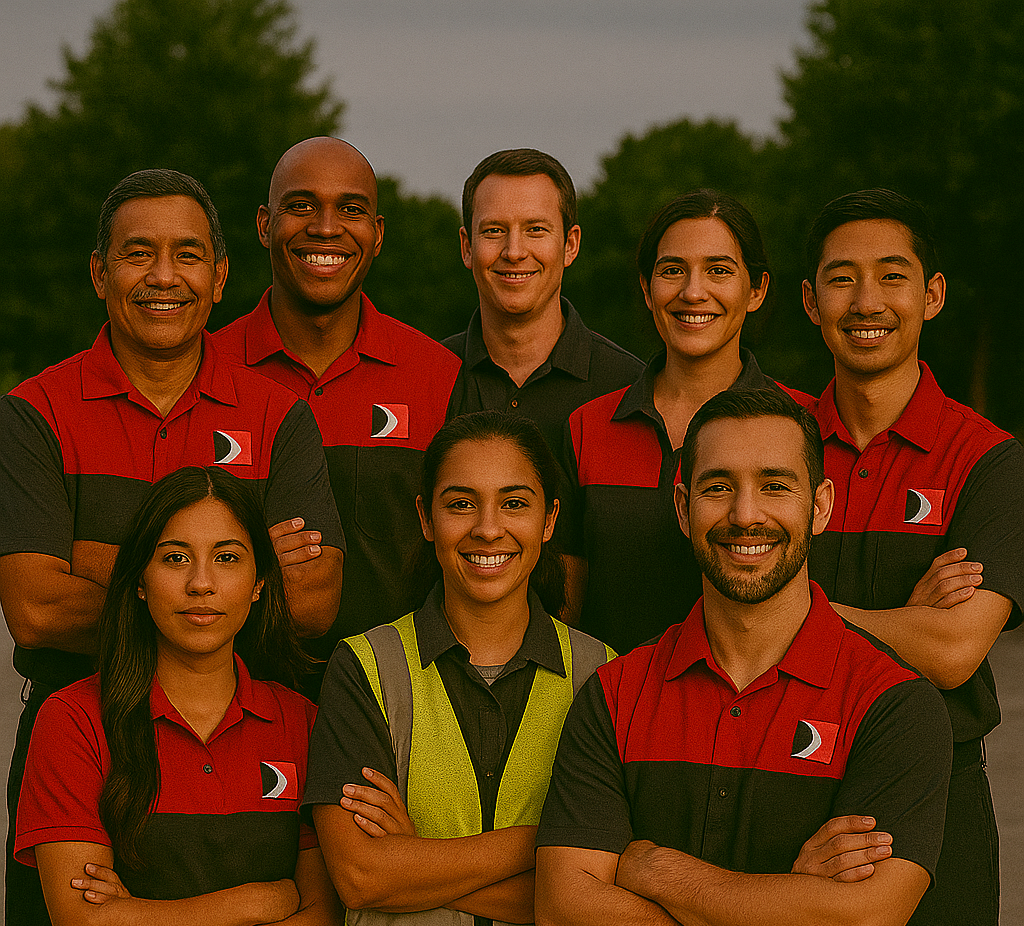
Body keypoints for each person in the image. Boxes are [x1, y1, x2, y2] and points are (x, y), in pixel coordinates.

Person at [0, 168, 345, 926]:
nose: (164, 277)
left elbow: (313, 599)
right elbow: (35, 607)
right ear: (98, 272)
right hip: (88, 730)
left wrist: (97, 556)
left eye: (187, 255)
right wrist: (232, 561)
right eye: (137, 255)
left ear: (222, 277)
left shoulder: (276, 413)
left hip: (241, 725)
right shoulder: (34, 411)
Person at [535, 388, 953, 926]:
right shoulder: (616, 693)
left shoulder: (895, 705)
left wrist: (655, 869)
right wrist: (785, 907)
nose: (745, 514)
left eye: (776, 485)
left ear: (821, 507)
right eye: (718, 486)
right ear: (682, 506)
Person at [304, 411, 615, 926]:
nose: (488, 529)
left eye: (515, 503)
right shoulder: (364, 665)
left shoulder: (603, 674)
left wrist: (416, 859)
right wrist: (543, 847)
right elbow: (364, 878)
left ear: (550, 521)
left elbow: (606, 897)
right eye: (461, 504)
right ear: (425, 518)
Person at [800, 188, 1024, 926]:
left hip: (939, 799)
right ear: (808, 299)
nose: (866, 304)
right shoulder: (772, 441)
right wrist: (906, 617)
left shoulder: (990, 461)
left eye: (890, 278)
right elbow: (725, 618)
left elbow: (958, 651)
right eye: (841, 279)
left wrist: (802, 605)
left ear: (930, 294)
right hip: (791, 779)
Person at [14, 465, 343, 926]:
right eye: (175, 558)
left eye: (228, 557)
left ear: (261, 582)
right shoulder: (72, 719)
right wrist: (258, 902)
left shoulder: (301, 723)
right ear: (140, 580)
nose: (201, 584)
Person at [215, 137, 462, 666]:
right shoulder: (206, 369)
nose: (326, 228)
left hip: (398, 705)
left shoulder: (439, 376)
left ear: (377, 235)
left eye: (351, 210)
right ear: (264, 225)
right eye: (301, 206)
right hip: (236, 698)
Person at [564, 190, 801, 652]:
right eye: (672, 270)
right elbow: (567, 611)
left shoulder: (801, 422)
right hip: (614, 710)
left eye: (719, 270)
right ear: (646, 289)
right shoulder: (586, 427)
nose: (694, 292)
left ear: (756, 290)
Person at [443, 148, 642, 467]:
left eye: (536, 229)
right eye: (494, 230)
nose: (514, 251)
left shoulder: (631, 389)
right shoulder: (427, 382)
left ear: (570, 245)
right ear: (467, 247)